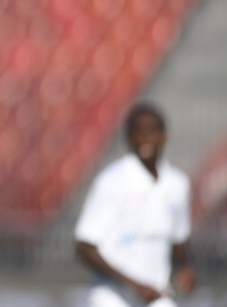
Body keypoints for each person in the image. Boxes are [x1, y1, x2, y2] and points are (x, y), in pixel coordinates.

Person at [74, 102, 197, 307]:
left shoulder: (178, 184)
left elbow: (179, 241)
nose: (145, 138)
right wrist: (133, 285)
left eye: (152, 131)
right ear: (128, 137)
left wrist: (186, 269)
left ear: (164, 136)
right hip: (111, 297)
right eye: (138, 131)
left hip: (156, 295)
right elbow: (84, 246)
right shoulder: (111, 181)